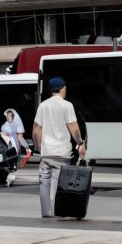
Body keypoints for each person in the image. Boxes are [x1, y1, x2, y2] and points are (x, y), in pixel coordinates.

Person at [32, 77, 87, 218]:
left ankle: (46, 212)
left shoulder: (43, 105)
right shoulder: (67, 105)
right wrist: (80, 143)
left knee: (44, 182)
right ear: (62, 88)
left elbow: (36, 129)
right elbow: (74, 128)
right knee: (58, 184)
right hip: (62, 153)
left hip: (47, 153)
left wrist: (38, 146)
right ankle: (57, 212)